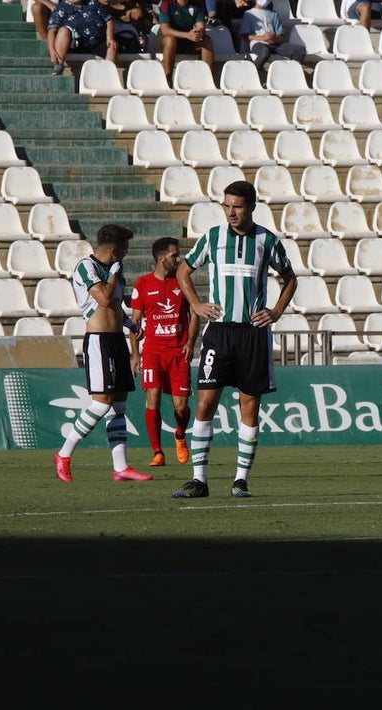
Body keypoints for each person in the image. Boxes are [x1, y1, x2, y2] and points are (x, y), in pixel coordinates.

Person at [173, 180, 297, 499]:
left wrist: (277, 311)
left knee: (249, 406)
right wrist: (197, 305)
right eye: (227, 205)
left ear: (251, 207)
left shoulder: (267, 241)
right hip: (219, 332)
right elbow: (183, 272)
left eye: (237, 206)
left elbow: (289, 278)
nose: (231, 212)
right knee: (205, 404)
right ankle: (199, 480)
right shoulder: (213, 237)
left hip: (252, 333)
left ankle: (241, 479)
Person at [54, 225, 152, 484]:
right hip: (98, 341)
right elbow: (104, 299)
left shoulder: (115, 271)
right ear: (114, 249)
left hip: (116, 339)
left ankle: (121, 467)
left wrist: (130, 324)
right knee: (101, 402)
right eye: (124, 250)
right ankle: (64, 454)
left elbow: (116, 305)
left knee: (118, 405)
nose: (126, 254)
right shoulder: (86, 267)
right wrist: (113, 275)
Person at [131, 236, 198, 468]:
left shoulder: (183, 281)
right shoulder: (143, 284)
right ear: (161, 258)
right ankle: (158, 452)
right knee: (153, 399)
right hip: (153, 353)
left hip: (179, 353)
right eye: (174, 255)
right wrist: (136, 355)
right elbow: (135, 322)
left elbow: (195, 314)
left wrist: (190, 342)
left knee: (181, 407)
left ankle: (180, 434)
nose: (178, 259)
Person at [47, 0, 117, 76]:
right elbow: (52, 31)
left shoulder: (93, 3)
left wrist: (110, 38)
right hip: (74, 45)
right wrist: (52, 50)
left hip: (97, 43)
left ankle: (108, 75)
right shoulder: (61, 8)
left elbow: (109, 20)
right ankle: (59, 65)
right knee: (63, 31)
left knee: (112, 46)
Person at [241, 0, 304, 74]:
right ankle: (251, 74)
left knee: (299, 50)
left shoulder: (273, 14)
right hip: (257, 44)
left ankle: (289, 73)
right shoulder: (249, 14)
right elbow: (245, 36)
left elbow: (281, 34)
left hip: (274, 44)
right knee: (264, 52)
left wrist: (275, 39)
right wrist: (262, 38)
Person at [156, 0, 214, 79]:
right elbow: (165, 29)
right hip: (166, 40)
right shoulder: (167, 3)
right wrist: (187, 35)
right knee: (171, 40)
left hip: (187, 39)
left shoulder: (198, 3)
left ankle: (208, 79)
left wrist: (198, 33)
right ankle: (167, 77)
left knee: (206, 40)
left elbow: (201, 26)